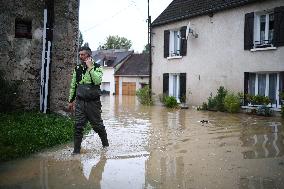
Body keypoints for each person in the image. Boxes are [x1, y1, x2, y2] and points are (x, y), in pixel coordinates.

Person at [68, 46, 109, 154]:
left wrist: (90, 68)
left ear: (89, 55)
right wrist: (71, 101)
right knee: (78, 126)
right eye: (80, 54)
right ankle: (76, 151)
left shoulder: (97, 67)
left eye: (83, 54)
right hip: (80, 102)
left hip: (93, 103)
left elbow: (97, 81)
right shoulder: (77, 69)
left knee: (98, 126)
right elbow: (73, 86)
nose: (80, 56)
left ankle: (106, 146)